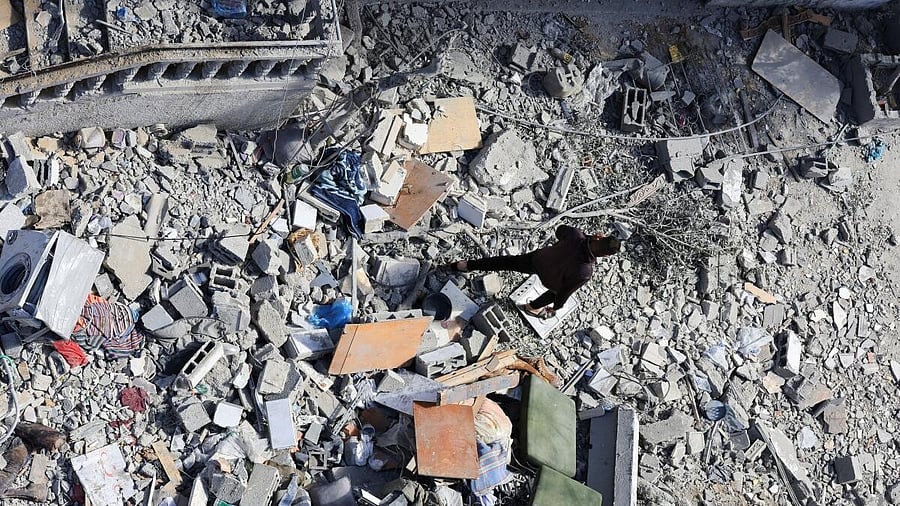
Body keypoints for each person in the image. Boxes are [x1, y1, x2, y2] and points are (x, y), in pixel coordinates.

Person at [447, 225, 621, 319]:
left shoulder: (576, 235)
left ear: (599, 237)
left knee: (507, 262)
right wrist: (557, 307)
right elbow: (565, 291)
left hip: (539, 259)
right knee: (554, 293)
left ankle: (466, 265)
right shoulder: (585, 271)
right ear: (605, 255)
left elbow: (560, 230)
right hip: (550, 280)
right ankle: (531, 307)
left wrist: (588, 236)